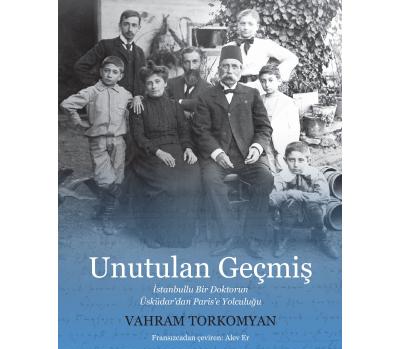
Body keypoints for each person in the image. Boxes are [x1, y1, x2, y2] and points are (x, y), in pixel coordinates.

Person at [192, 45, 274, 258]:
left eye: (235, 66)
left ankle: (252, 236)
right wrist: (217, 153)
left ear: (241, 70)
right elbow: (201, 131)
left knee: (265, 179)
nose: (230, 70)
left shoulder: (252, 94)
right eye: (226, 66)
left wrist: (257, 147)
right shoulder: (206, 96)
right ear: (219, 69)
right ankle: (229, 235)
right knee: (210, 180)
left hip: (247, 156)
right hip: (217, 157)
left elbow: (264, 127)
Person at [129, 61, 201, 248]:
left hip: (176, 149)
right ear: (145, 86)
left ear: (165, 83)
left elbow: (183, 131)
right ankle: (152, 233)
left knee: (192, 179)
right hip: (149, 153)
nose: (154, 86)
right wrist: (158, 152)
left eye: (157, 82)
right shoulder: (139, 107)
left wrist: (188, 148)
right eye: (149, 83)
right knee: (167, 183)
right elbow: (139, 137)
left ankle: (182, 234)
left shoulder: (174, 106)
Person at [60, 56, 133, 235]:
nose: (109, 75)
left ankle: (103, 212)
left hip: (118, 143)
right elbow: (67, 104)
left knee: (117, 180)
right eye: (106, 71)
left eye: (114, 72)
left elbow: (133, 110)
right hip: (98, 142)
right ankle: (114, 212)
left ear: (120, 76)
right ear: (101, 72)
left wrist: (137, 99)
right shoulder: (91, 92)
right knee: (106, 181)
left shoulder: (125, 94)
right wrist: (78, 122)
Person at [269, 141, 339, 259]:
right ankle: (282, 239)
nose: (296, 165)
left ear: (308, 160)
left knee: (314, 207)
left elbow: (324, 196)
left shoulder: (315, 174)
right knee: (290, 205)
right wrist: (290, 193)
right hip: (288, 214)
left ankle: (322, 238)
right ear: (285, 160)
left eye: (301, 160)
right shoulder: (281, 176)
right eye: (291, 160)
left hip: (311, 212)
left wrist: (301, 195)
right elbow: (271, 199)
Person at [74, 9, 145, 114]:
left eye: (134, 25)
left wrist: (138, 95)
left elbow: (142, 78)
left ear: (139, 28)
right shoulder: (105, 45)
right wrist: (98, 88)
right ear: (120, 25)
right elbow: (80, 66)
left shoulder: (139, 52)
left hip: (131, 107)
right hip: (107, 105)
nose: (130, 29)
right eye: (126, 24)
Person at [226, 9, 298, 92]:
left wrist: (276, 75)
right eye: (243, 23)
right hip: (236, 88)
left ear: (257, 26)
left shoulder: (265, 45)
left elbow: (292, 58)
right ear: (238, 25)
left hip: (259, 88)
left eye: (250, 24)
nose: (246, 27)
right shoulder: (229, 47)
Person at [259, 64, 300, 173]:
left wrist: (292, 147)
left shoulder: (288, 102)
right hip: (265, 141)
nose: (267, 84)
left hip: (282, 141)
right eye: (263, 81)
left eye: (270, 80)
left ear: (279, 81)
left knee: (283, 166)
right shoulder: (259, 100)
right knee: (269, 166)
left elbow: (294, 128)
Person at [166, 47, 211, 119]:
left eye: (195, 62)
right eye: (187, 62)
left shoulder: (208, 89)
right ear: (182, 63)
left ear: (201, 63)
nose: (191, 67)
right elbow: (162, 105)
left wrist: (179, 102)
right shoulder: (170, 84)